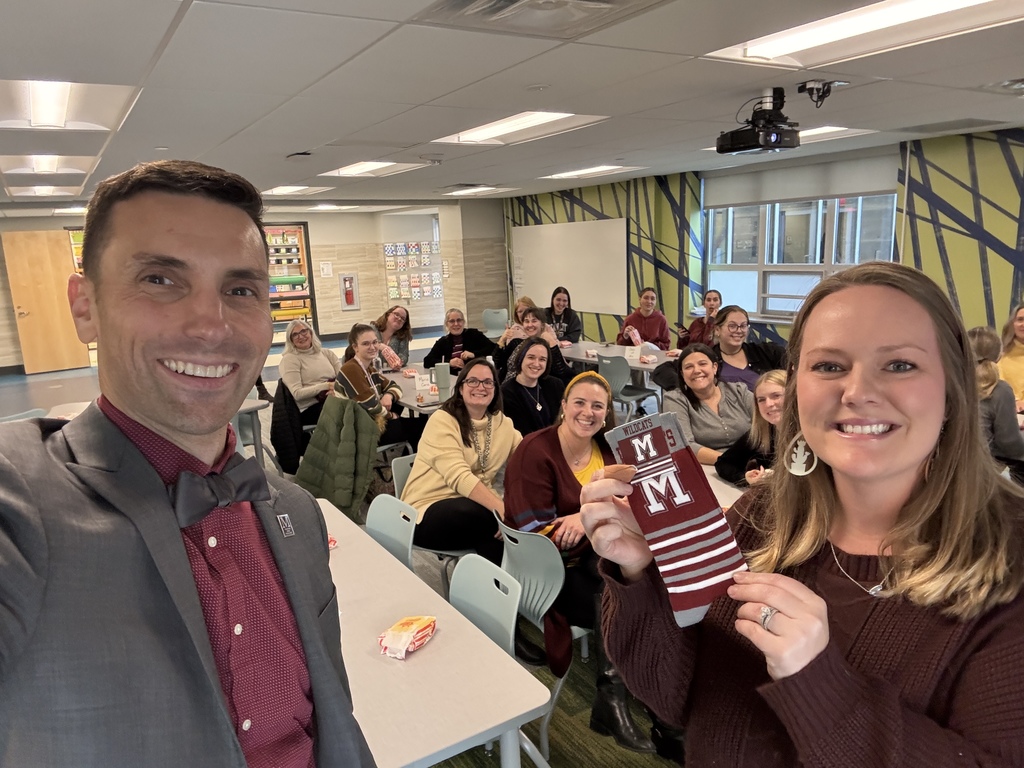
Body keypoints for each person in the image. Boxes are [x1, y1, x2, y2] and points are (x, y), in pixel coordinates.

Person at [0, 160, 374, 766]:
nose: (210, 325)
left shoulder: (298, 514)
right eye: (160, 280)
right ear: (85, 305)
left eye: (240, 289)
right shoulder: (22, 498)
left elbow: (333, 717)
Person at [582, 262, 1024, 767]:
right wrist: (643, 574)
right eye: (829, 366)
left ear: (951, 390)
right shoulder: (762, 514)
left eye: (900, 364)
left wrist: (818, 683)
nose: (856, 392)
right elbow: (675, 701)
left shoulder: (1011, 564)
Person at [504, 372, 656, 754]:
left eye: (597, 406)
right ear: (564, 406)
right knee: (614, 589)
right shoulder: (535, 451)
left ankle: (649, 682)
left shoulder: (607, 451)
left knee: (643, 577)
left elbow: (629, 505)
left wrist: (586, 521)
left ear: (606, 415)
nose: (587, 412)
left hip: (593, 558)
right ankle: (612, 696)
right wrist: (585, 520)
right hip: (549, 570)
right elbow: (533, 533)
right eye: (580, 403)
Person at [401, 358, 521, 565]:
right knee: (480, 515)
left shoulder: (503, 424)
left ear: (495, 388)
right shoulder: (442, 421)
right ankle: (510, 585)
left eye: (487, 382)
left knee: (491, 531)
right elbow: (460, 477)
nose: (480, 387)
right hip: (425, 512)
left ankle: (497, 587)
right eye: (472, 381)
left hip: (478, 514)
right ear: (461, 387)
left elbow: (525, 461)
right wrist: (504, 511)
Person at [335, 323, 425, 451]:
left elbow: (394, 386)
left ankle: (408, 464)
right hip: (360, 431)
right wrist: (391, 416)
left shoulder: (369, 369)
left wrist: (388, 395)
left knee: (417, 424)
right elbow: (371, 405)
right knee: (422, 427)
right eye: (366, 344)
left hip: (372, 422)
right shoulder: (351, 370)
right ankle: (408, 467)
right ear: (355, 347)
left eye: (375, 342)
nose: (372, 347)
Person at [663, 343, 754, 465]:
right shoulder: (675, 400)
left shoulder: (739, 391)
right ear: (682, 374)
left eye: (702, 364)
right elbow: (683, 446)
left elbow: (767, 426)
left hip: (753, 463)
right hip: (707, 467)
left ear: (714, 367)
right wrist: (730, 462)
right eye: (689, 367)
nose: (696, 370)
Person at [715, 369, 786, 485]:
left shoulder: (811, 434)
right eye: (761, 399)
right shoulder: (762, 432)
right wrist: (745, 478)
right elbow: (724, 463)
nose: (768, 404)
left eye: (776, 396)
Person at [969, 326, 1024, 474]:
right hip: (984, 471)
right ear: (999, 356)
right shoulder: (1000, 390)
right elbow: (1010, 444)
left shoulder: (952, 384)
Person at [278, 318, 341, 426]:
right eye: (295, 334)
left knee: (361, 406)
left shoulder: (327, 354)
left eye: (304, 331)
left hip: (334, 398)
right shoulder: (290, 360)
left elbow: (344, 379)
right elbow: (297, 393)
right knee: (347, 411)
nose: (301, 336)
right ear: (290, 340)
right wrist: (326, 386)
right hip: (309, 409)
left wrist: (336, 390)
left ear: (311, 333)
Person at [500, 336, 565, 435]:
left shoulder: (555, 385)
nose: (536, 363)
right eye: (531, 357)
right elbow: (521, 434)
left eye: (542, 359)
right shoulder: (506, 393)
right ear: (521, 358)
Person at [712, 305, 786, 391]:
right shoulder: (708, 359)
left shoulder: (765, 352)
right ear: (717, 330)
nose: (739, 331)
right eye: (732, 326)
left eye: (743, 326)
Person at [494, 306, 574, 383]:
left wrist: (552, 343)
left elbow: (562, 372)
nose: (530, 325)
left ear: (542, 325)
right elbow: (496, 364)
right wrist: (502, 340)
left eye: (534, 321)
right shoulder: (516, 343)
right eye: (526, 321)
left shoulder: (547, 348)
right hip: (507, 387)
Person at [423, 308, 496, 374]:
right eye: (452, 321)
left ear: (463, 322)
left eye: (459, 320)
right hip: (452, 377)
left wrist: (473, 354)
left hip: (474, 374)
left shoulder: (474, 334)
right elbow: (427, 361)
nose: (456, 324)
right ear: (447, 324)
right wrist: (449, 362)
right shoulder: (443, 342)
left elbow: (493, 348)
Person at [998, 303, 1024, 411]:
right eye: (1020, 319)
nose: (1023, 324)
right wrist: (1016, 401)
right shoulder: (1000, 358)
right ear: (1012, 324)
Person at [372, 305, 412, 369]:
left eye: (403, 318)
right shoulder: (372, 329)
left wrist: (399, 363)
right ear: (388, 314)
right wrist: (381, 346)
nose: (399, 319)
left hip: (392, 372)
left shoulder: (403, 336)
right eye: (396, 314)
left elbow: (404, 356)